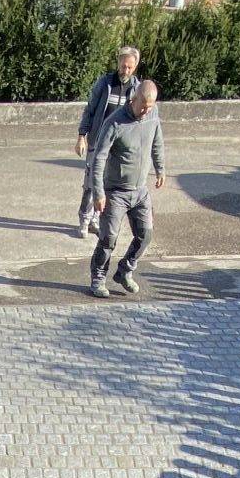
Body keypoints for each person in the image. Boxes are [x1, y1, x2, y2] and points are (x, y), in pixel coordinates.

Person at [87, 78, 164, 299]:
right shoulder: (114, 122)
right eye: (143, 105)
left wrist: (161, 169)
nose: (146, 110)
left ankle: (125, 271)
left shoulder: (152, 115)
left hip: (140, 191)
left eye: (150, 106)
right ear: (134, 98)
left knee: (145, 235)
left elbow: (157, 142)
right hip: (116, 192)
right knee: (108, 239)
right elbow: (99, 158)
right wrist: (98, 192)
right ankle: (98, 277)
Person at [74, 46, 141, 237]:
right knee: (90, 184)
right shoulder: (105, 83)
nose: (125, 71)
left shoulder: (137, 88)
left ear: (135, 66)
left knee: (106, 185)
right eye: (123, 66)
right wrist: (82, 136)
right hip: (98, 142)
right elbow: (90, 110)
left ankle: (96, 220)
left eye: (129, 67)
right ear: (118, 62)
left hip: (118, 147)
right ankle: (84, 220)